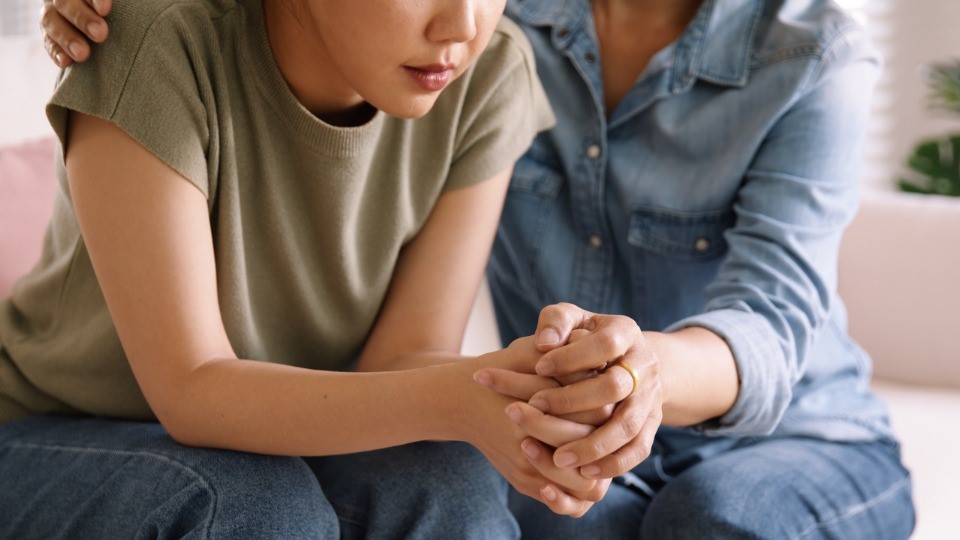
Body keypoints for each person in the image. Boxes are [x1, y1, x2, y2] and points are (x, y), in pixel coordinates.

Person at [37, 0, 919, 538]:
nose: (459, 24)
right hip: (86, 425)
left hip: (783, 428)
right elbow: (196, 387)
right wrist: (495, 394)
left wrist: (561, 383)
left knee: (708, 520)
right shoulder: (497, 33)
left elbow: (773, 314)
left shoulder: (809, 50)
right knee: (270, 511)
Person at [0, 0, 612, 538]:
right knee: (248, 506)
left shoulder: (489, 70)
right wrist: (458, 399)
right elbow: (191, 391)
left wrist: (525, 388)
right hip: (55, 432)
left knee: (448, 480)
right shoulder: (154, 38)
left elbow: (404, 358)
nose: (460, 24)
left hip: (288, 440)